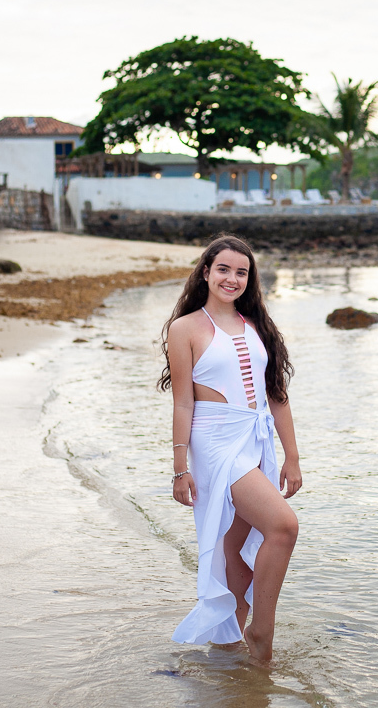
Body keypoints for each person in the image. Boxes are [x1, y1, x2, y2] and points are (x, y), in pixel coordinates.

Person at [160, 235, 302, 662]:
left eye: (241, 272)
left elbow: (276, 395)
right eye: (223, 269)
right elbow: (183, 401)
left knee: (233, 550)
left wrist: (292, 457)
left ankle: (228, 651)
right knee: (283, 527)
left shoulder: (257, 325)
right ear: (206, 272)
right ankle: (263, 632)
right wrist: (179, 467)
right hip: (215, 443)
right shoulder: (184, 329)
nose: (232, 278)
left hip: (253, 439)